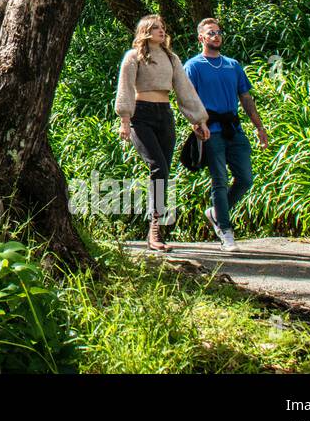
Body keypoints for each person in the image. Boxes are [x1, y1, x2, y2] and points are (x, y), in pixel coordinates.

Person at [115, 14, 210, 252]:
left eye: (162, 27)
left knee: (165, 169)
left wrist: (198, 120)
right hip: (141, 116)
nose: (161, 31)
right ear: (145, 31)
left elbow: (184, 89)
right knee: (157, 165)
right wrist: (125, 119)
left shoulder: (171, 57)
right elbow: (125, 87)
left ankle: (155, 225)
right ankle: (155, 228)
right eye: (156, 27)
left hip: (164, 114)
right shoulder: (133, 56)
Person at [183, 18, 270, 252]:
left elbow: (246, 98)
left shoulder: (233, 65)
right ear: (201, 37)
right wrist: (196, 124)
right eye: (211, 33)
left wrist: (259, 127)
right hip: (211, 129)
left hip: (234, 129)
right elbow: (186, 99)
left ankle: (215, 212)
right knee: (219, 180)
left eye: (219, 32)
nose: (216, 36)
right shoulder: (193, 66)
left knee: (245, 179)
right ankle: (225, 230)